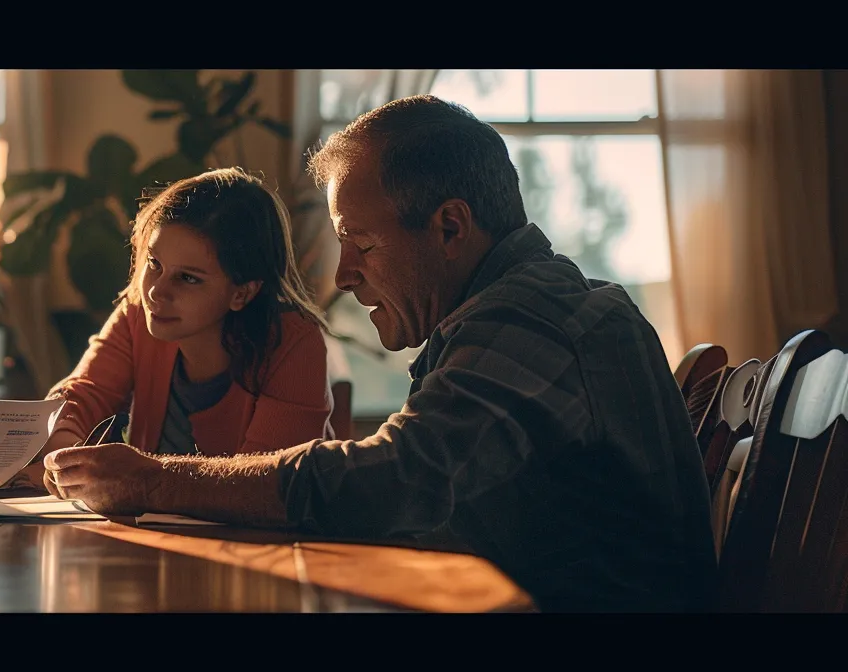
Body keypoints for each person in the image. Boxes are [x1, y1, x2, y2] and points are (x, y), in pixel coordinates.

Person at [42, 95, 718, 612]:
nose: (341, 275)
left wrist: (155, 481)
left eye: (359, 242)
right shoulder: (514, 312)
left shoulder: (532, 317)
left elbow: (398, 479)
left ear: (450, 226)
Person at [11, 167, 333, 491]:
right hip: (149, 535)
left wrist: (140, 480)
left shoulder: (295, 344)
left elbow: (261, 485)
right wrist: (66, 455)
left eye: (188, 278)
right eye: (154, 264)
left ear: (242, 293)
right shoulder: (141, 313)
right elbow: (78, 398)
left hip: (264, 539)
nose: (155, 292)